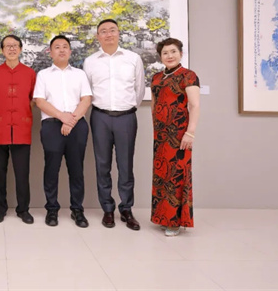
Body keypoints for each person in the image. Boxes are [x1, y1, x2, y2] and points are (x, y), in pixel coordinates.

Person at [83, 18, 145, 231]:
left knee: (126, 165)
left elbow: (139, 90)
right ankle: (107, 209)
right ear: (97, 36)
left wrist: (127, 108)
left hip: (126, 117)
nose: (108, 34)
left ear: (119, 33)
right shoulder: (90, 61)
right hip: (100, 116)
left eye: (112, 30)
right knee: (102, 165)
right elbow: (87, 91)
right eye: (103, 31)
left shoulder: (133, 58)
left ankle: (126, 209)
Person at [34, 35, 92, 228]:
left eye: (65, 46)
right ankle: (52, 209)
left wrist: (71, 120)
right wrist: (62, 117)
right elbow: (40, 101)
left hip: (77, 124)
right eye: (57, 47)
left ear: (70, 51)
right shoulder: (43, 75)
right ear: (50, 52)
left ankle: (77, 209)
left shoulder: (80, 74)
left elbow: (86, 99)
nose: (61, 50)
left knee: (76, 169)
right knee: (51, 168)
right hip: (51, 125)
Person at [150, 37, 200, 237]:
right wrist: (156, 128)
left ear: (180, 53)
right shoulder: (156, 78)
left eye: (173, 52)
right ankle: (163, 217)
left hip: (179, 134)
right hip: (160, 135)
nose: (169, 56)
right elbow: (154, 105)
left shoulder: (188, 75)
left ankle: (175, 221)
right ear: (160, 56)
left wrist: (190, 132)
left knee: (176, 175)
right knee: (162, 175)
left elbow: (194, 105)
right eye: (165, 53)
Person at [0, 35, 36, 224]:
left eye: (15, 45)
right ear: (2, 50)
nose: (11, 49)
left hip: (21, 128)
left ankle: (23, 209)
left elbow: (33, 99)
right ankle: (0, 209)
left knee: (22, 174)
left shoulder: (30, 73)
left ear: (21, 49)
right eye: (7, 46)